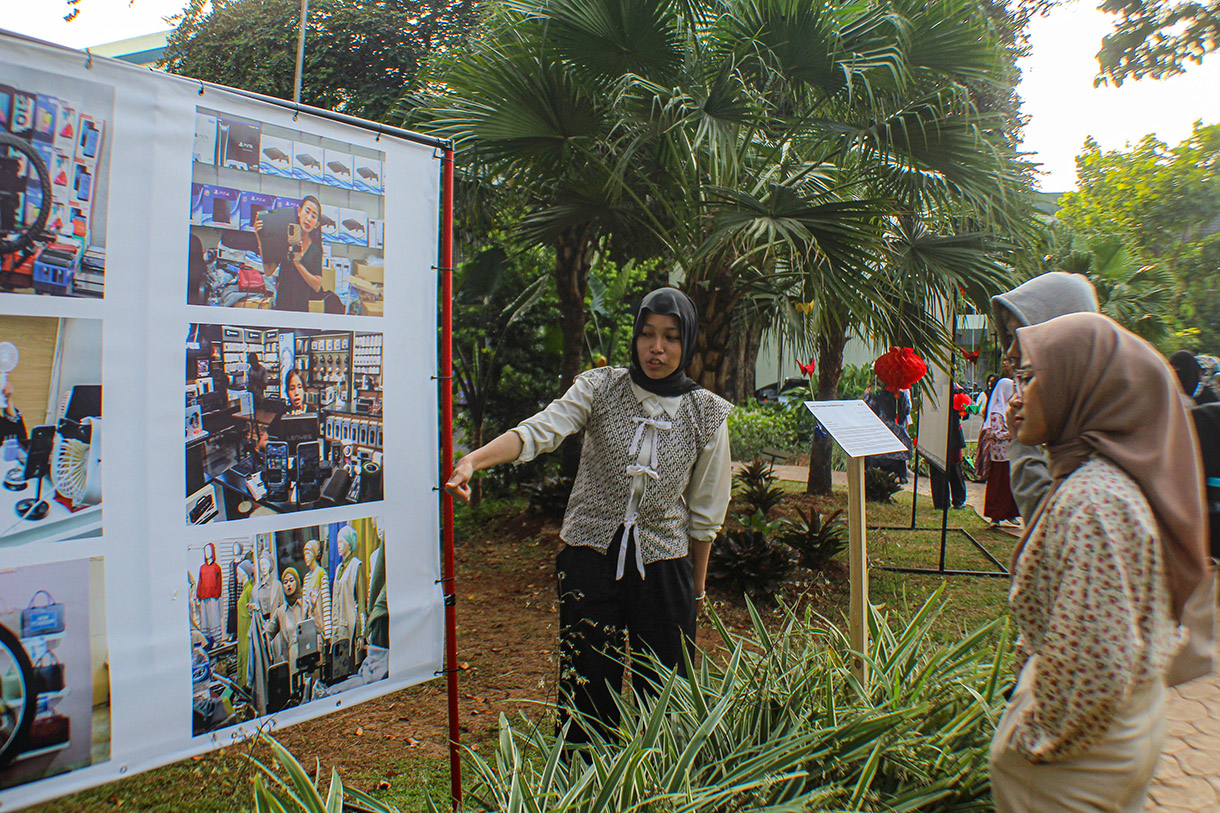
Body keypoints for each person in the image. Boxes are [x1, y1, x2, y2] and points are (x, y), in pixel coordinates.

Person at [445, 287, 733, 745]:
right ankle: (585, 783)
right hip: (590, 556)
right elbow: (542, 429)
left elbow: (705, 514)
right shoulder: (600, 387)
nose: (657, 348)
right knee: (585, 683)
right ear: (635, 337)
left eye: (671, 337)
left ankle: (658, 786)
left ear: (688, 342)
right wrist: (474, 460)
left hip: (665, 566)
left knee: (665, 693)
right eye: (648, 334)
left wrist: (695, 590)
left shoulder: (708, 414)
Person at [988, 312, 1208, 813]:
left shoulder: (1092, 503)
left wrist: (1030, 742)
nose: (1015, 396)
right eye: (1015, 379)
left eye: (1029, 378)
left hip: (1076, 768)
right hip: (1116, 737)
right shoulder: (1102, 481)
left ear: (1078, 384)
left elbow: (1096, 662)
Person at [991, 271, 1099, 519]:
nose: (1012, 352)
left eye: (1025, 333)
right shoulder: (1070, 432)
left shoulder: (1098, 487)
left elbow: (1051, 524)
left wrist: (1021, 442)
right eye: (1010, 337)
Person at [254, 197, 325, 313]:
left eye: (313, 215)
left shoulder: (316, 249)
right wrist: (259, 237)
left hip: (301, 309)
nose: (308, 218)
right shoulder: (285, 238)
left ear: (316, 224)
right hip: (282, 306)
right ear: (299, 211)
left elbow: (317, 285)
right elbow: (268, 270)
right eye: (307, 211)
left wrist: (297, 263)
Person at [982, 375, 1020, 526]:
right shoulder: (997, 412)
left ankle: (1011, 513)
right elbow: (995, 434)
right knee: (999, 485)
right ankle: (996, 515)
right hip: (1000, 455)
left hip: (1011, 454)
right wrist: (1012, 432)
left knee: (1010, 485)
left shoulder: (1012, 409)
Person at [928, 383, 967, 510]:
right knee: (938, 468)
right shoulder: (930, 390)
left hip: (952, 435)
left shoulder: (956, 390)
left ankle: (957, 500)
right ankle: (942, 502)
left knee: (954, 468)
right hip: (937, 433)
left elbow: (964, 413)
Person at [863, 386, 912, 483]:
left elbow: (868, 410)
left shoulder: (876, 396)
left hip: (880, 435)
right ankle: (901, 475)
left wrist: (866, 395)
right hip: (897, 436)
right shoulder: (901, 396)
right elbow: (906, 411)